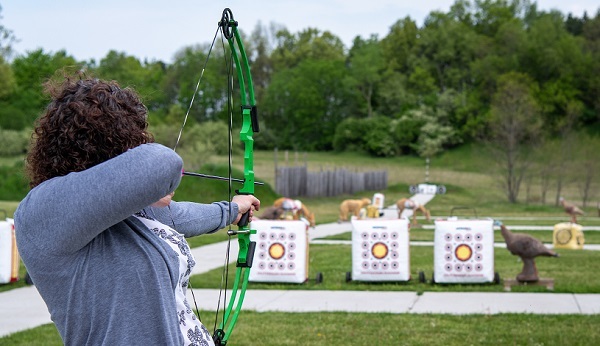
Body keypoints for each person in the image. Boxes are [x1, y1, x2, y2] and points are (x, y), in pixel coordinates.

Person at [14, 77, 260, 346]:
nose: (140, 143)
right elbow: (162, 164)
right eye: (132, 138)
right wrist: (149, 181)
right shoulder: (43, 209)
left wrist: (233, 209)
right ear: (108, 143)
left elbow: (178, 216)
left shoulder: (125, 211)